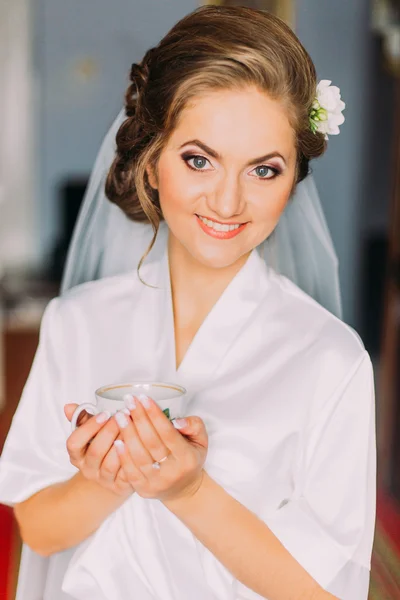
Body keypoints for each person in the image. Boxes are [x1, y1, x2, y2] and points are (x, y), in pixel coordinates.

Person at [0, 5, 376, 600]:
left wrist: (187, 491)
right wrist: (105, 480)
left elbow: (326, 593)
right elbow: (40, 532)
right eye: (199, 159)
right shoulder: (77, 322)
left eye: (264, 169)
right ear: (152, 162)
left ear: (294, 179)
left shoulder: (331, 358)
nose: (227, 202)